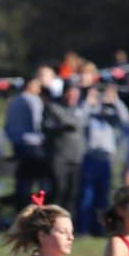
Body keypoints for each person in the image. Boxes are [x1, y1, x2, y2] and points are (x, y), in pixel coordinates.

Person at [76, 85, 129, 236]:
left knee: (102, 197)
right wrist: (89, 101)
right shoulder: (88, 111)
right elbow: (79, 119)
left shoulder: (110, 112)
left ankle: (100, 228)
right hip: (90, 158)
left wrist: (115, 101)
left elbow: (125, 119)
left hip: (105, 160)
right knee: (86, 197)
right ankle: (83, 228)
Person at [4, 76, 48, 210]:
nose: (39, 89)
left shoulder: (14, 100)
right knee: (40, 180)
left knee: (22, 180)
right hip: (33, 144)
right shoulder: (33, 100)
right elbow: (37, 123)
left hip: (17, 144)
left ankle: (21, 210)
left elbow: (7, 125)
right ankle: (38, 209)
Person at [43, 84, 87, 215]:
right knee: (59, 190)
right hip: (59, 157)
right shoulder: (53, 107)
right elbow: (46, 128)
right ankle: (52, 221)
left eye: (74, 94)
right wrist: (61, 128)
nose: (71, 97)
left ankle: (68, 223)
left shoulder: (80, 109)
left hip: (76, 157)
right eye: (69, 93)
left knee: (72, 193)